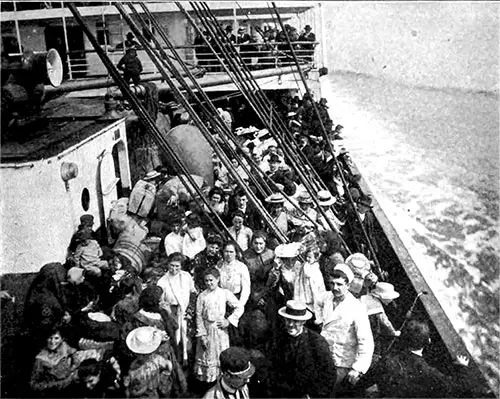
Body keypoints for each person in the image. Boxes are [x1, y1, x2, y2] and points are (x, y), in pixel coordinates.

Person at [359, 320, 474, 397]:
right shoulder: (428, 372)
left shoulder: (387, 360)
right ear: (428, 341)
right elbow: (459, 386)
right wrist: (462, 367)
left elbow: (364, 382)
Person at [316, 264, 374, 394]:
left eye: (339, 284)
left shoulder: (356, 308)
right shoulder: (327, 297)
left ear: (348, 285)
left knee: (332, 392)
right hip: (323, 355)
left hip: (341, 362)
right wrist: (319, 319)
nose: (334, 288)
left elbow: (366, 341)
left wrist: (358, 368)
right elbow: (317, 302)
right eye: (332, 283)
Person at [267, 300, 336, 398]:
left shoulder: (316, 342)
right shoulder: (277, 339)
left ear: (303, 321)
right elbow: (270, 369)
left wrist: (312, 395)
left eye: (295, 321)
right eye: (288, 320)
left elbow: (328, 375)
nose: (290, 324)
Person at [194, 268, 244, 384]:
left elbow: (239, 306)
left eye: (211, 280)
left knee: (222, 356)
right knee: (207, 355)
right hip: (206, 329)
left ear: (218, 279)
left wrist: (229, 320)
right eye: (206, 281)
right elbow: (199, 316)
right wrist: (202, 334)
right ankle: (208, 384)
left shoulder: (224, 293)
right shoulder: (202, 296)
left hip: (220, 330)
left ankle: (223, 382)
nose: (209, 283)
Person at [157, 252, 197, 366]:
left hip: (186, 310)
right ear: (168, 265)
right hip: (171, 311)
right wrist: (169, 312)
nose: (174, 269)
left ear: (181, 266)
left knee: (187, 336)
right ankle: (176, 363)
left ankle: (188, 361)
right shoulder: (162, 281)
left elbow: (193, 292)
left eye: (177, 266)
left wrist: (190, 310)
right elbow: (162, 301)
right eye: (172, 265)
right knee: (174, 337)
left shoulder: (186, 276)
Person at [124, 326, 173, 398]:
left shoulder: (156, 359)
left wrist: (165, 375)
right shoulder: (134, 366)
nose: (140, 357)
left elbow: (168, 364)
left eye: (143, 355)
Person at [29, 327, 78, 397]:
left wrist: (74, 368)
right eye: (50, 338)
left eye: (56, 338)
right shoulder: (40, 359)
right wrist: (66, 381)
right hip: (53, 394)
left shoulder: (66, 349)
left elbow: (76, 359)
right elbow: (34, 385)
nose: (52, 341)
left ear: (62, 339)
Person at [360, 282, 401, 362]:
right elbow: (385, 322)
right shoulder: (376, 307)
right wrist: (394, 332)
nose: (391, 300)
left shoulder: (366, 297)